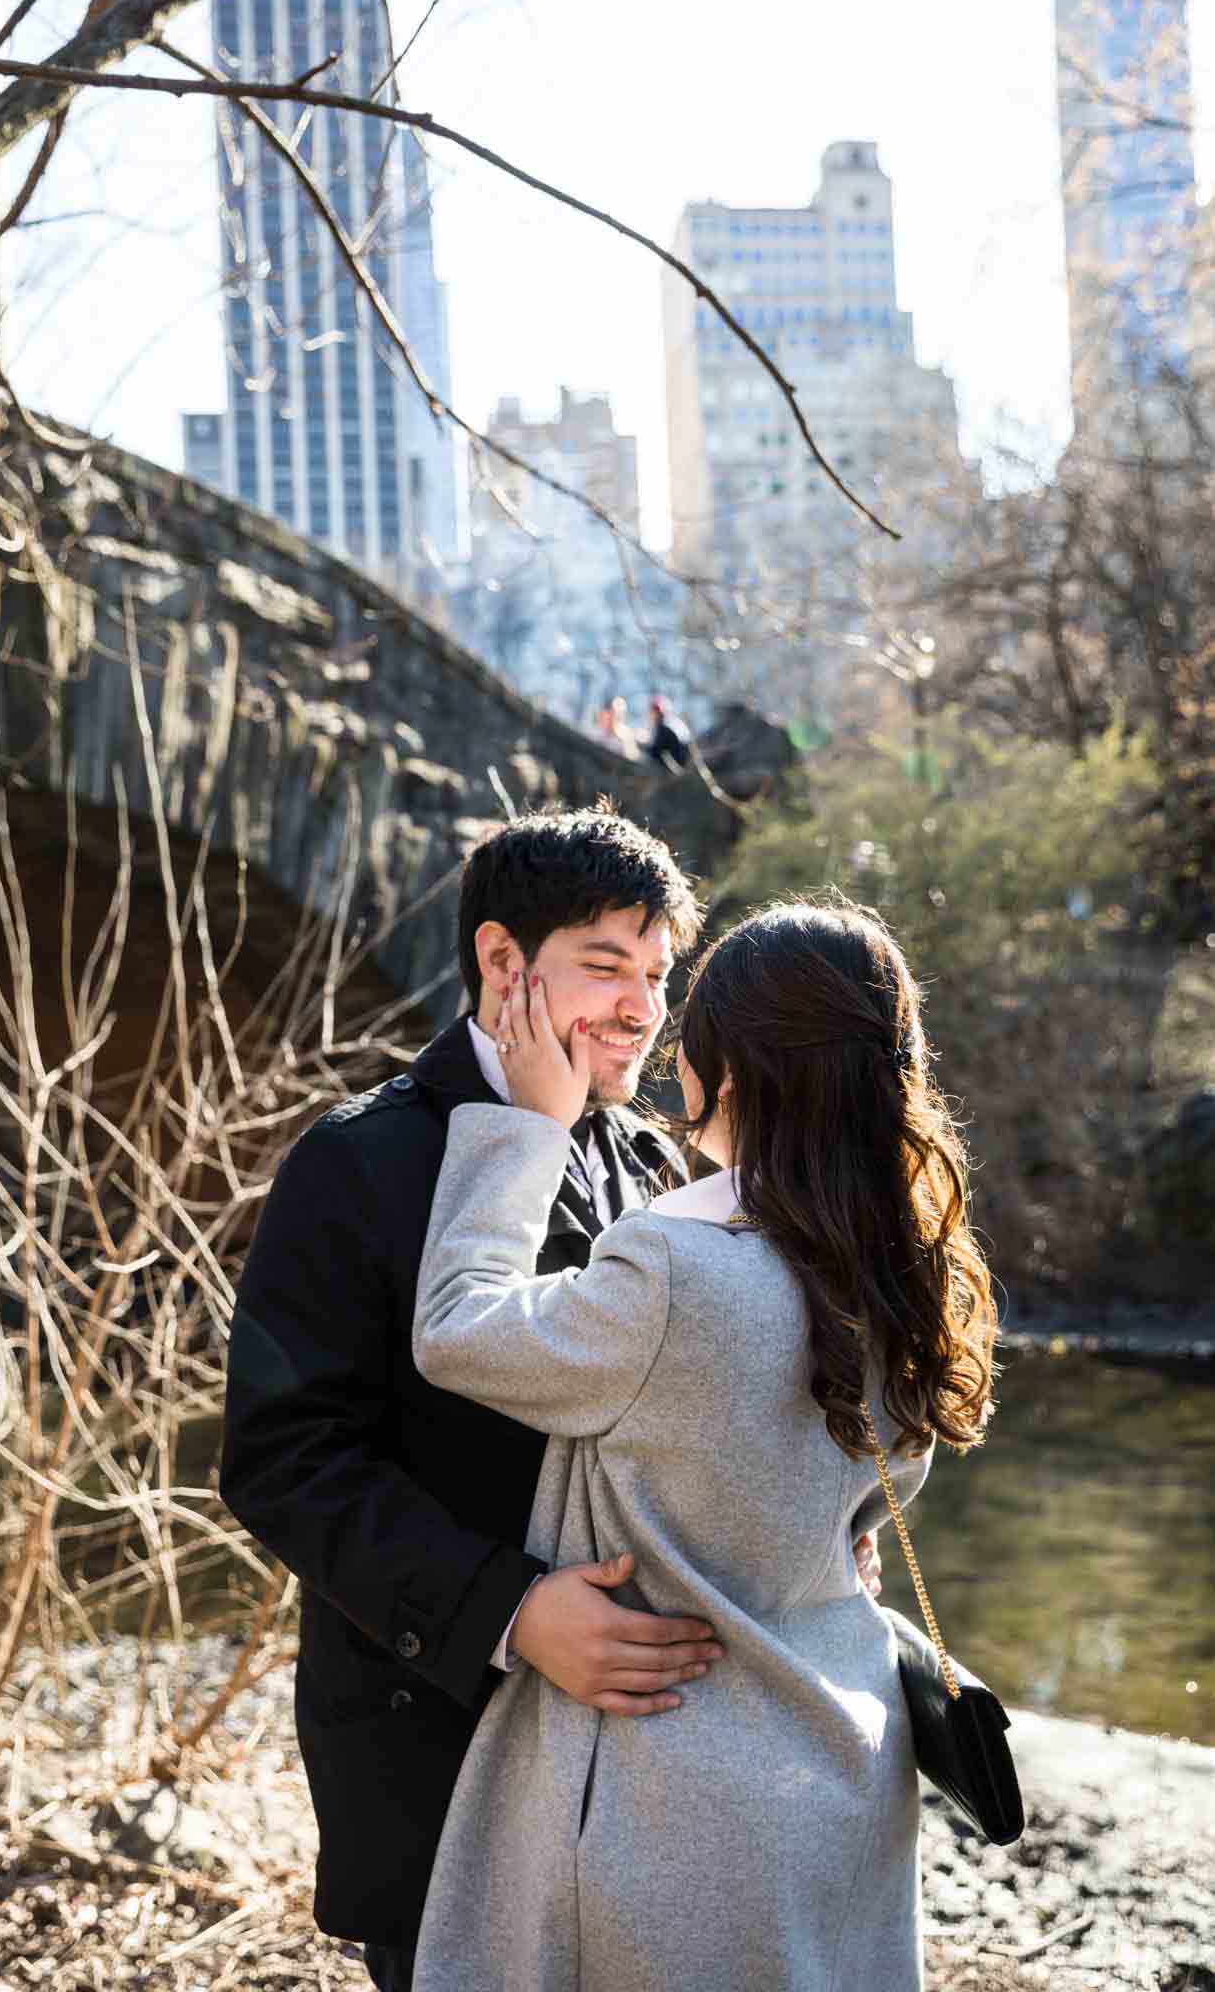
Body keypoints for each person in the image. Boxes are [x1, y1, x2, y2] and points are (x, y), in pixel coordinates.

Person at [411, 900, 999, 1992]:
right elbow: (871, 1506)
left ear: (724, 1071)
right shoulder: (908, 1268)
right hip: (844, 1763)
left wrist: (532, 1127)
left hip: (666, 1796)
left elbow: (456, 1329)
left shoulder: (671, 1270)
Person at [220, 808, 724, 1992]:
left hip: (643, 1746)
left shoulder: (650, 1159)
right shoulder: (356, 1159)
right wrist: (509, 1610)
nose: (644, 1009)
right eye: (605, 965)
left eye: (655, 973)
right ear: (504, 962)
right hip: (431, 1731)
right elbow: (283, 1459)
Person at [645, 693, 692, 772]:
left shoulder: (665, 726)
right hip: (682, 762)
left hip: (677, 763)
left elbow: (655, 751)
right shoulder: (675, 722)